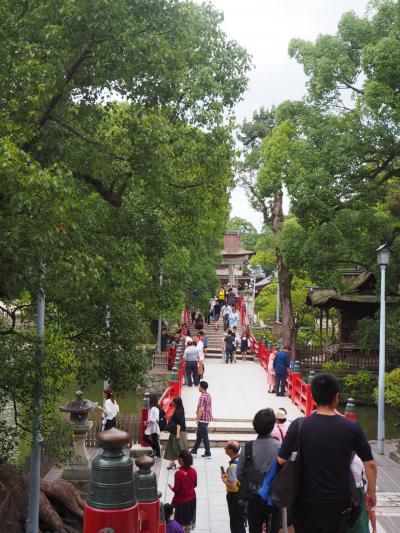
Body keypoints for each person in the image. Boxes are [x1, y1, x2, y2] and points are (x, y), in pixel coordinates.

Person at [278, 373, 377, 533]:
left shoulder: (299, 425)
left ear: (313, 397)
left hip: (305, 502)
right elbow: (370, 464)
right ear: (337, 397)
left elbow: (281, 460)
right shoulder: (352, 428)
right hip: (339, 503)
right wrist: (371, 492)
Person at [237, 408, 281, 533]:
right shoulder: (280, 447)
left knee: (254, 529)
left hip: (253, 497)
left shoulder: (248, 447)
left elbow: (239, 473)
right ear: (272, 426)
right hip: (274, 498)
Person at [169, 450, 197, 532]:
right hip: (192, 499)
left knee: (180, 523)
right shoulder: (193, 471)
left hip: (182, 502)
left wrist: (172, 488)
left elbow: (177, 490)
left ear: (181, 460)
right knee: (188, 522)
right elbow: (195, 485)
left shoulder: (178, 474)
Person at [221, 440, 246, 533]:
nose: (224, 449)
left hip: (234, 497)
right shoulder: (240, 460)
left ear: (230, 451)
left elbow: (232, 486)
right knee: (240, 521)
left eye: (226, 447)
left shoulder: (232, 467)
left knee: (235, 522)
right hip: (242, 495)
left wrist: (224, 480)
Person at [164, 397, 188, 470]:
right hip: (176, 431)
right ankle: (173, 462)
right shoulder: (181, 409)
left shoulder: (178, 412)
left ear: (176, 403)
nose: (172, 403)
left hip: (178, 432)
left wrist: (177, 434)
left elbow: (178, 424)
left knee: (179, 448)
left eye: (173, 402)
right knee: (172, 447)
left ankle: (184, 463)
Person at [190, 381, 212, 458]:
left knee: (204, 436)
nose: (198, 387)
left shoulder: (202, 397)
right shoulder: (208, 395)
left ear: (202, 387)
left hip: (202, 419)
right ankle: (194, 451)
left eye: (199, 386)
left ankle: (208, 453)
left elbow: (201, 409)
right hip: (207, 418)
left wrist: (197, 419)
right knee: (199, 436)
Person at [348, 454, 370, 533]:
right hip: (357, 492)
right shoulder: (357, 460)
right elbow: (360, 477)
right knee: (359, 522)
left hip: (340, 491)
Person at [144, 393, 161, 458]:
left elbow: (154, 418)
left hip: (154, 426)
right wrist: (148, 422)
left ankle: (157, 453)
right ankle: (156, 452)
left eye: (149, 399)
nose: (148, 400)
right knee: (154, 440)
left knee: (150, 439)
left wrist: (147, 422)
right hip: (152, 426)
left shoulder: (154, 408)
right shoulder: (153, 408)